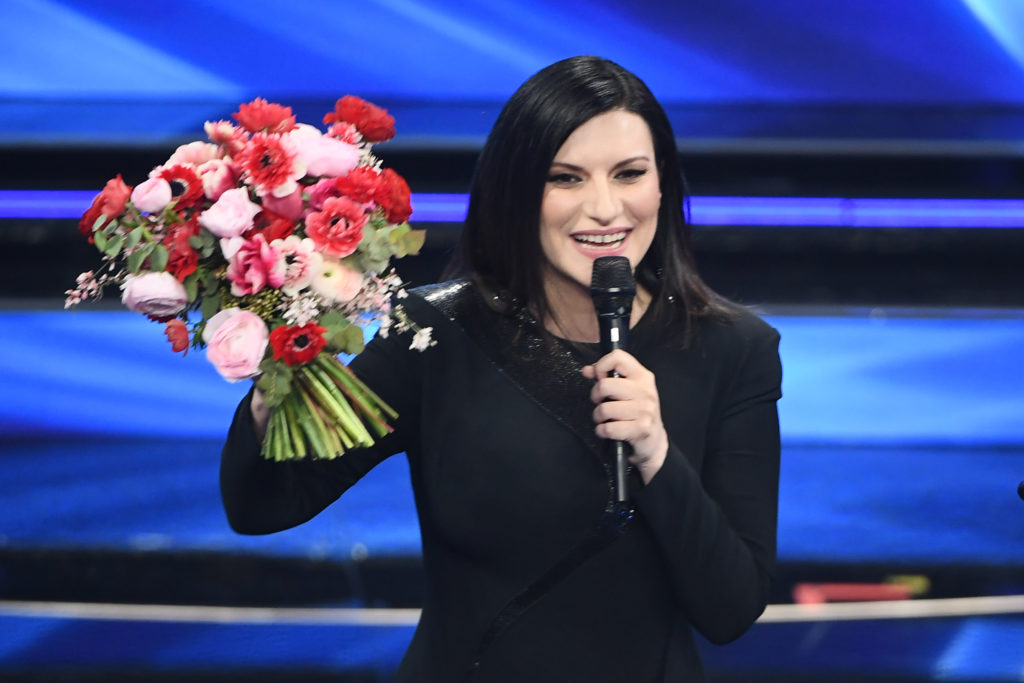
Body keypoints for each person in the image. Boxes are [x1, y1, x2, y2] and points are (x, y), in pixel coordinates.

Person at [220, 55, 782, 682]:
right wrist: (275, 381)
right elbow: (264, 506)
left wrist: (656, 454)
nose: (605, 208)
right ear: (515, 190)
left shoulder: (735, 350)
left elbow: (731, 609)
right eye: (565, 178)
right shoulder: (436, 332)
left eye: (629, 174)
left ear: (662, 184)